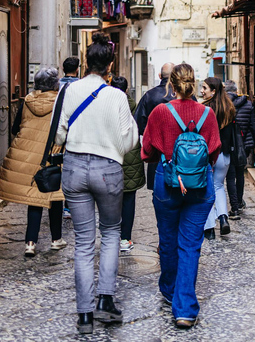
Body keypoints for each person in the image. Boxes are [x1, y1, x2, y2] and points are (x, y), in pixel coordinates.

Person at [55, 33, 139, 334]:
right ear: (110, 66)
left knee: (83, 241)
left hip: (75, 167)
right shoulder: (117, 96)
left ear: (86, 63)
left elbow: (58, 134)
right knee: (112, 232)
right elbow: (130, 141)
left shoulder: (69, 91)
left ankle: (85, 316)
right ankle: (105, 299)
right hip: (108, 169)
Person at [142, 64, 221, 329]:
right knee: (190, 244)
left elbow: (146, 151)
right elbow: (214, 151)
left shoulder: (160, 112)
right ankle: (185, 308)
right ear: (193, 84)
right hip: (200, 186)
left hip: (167, 182)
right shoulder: (207, 114)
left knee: (167, 240)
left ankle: (169, 289)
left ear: (171, 85)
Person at [0, 68, 66, 257]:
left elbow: (15, 128)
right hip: (50, 155)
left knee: (34, 200)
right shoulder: (60, 103)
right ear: (55, 84)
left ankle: (30, 243)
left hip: (29, 155)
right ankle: (56, 240)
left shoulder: (27, 101)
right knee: (54, 197)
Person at [198, 77, 237, 240]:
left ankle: (209, 228)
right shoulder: (229, 108)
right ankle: (223, 217)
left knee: (205, 189)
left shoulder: (204, 109)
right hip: (225, 154)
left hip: (209, 153)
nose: (201, 91)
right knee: (219, 186)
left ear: (213, 91)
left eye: (204, 88)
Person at [110, 76, 145, 253]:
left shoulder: (105, 106)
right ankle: (125, 239)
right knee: (129, 200)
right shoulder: (134, 106)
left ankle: (111, 236)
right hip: (131, 156)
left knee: (109, 199)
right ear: (126, 89)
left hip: (111, 155)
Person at [224, 80, 255, 219]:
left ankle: (234, 207)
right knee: (240, 173)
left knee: (230, 176)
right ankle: (239, 202)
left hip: (228, 146)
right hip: (244, 146)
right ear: (236, 91)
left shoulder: (222, 105)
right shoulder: (247, 104)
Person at [134, 62, 175, 190]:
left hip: (156, 149)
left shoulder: (149, 95)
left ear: (159, 75)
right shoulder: (183, 95)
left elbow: (138, 124)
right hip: (180, 149)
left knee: (157, 190)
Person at [59, 56, 80, 219]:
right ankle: (70, 206)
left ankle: (58, 200)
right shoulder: (81, 87)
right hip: (76, 133)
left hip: (59, 131)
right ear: (77, 69)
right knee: (73, 170)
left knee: (58, 168)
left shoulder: (56, 86)